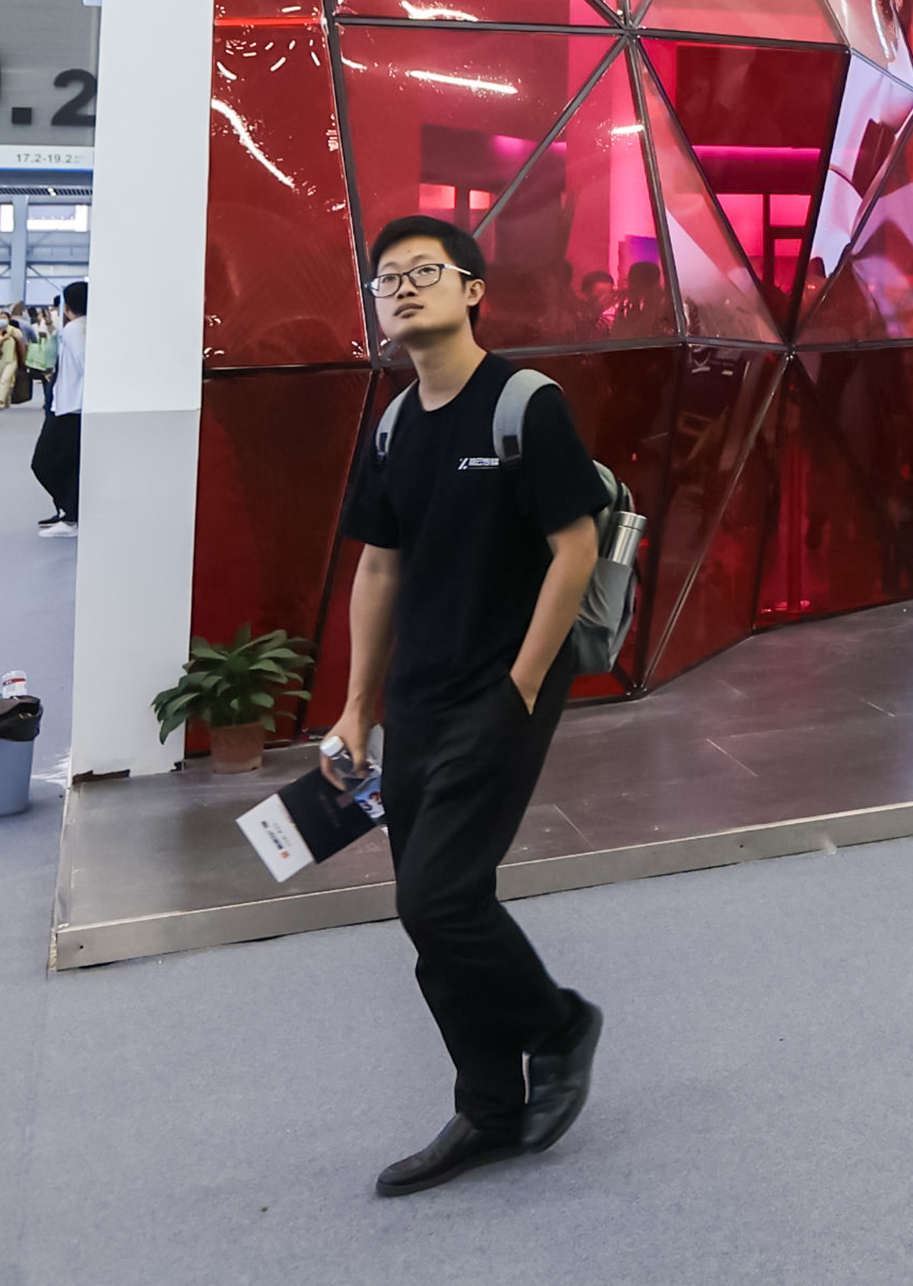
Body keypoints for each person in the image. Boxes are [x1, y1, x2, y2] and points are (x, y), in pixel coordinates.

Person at [314, 218, 608, 1196]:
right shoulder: (395, 423)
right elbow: (379, 567)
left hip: (502, 685)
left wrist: (520, 687)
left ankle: (559, 1027)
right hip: (419, 695)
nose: (402, 287)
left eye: (424, 271)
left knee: (436, 898)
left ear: (473, 290)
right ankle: (487, 1106)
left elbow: (575, 548)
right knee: (438, 915)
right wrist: (356, 709)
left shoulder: (525, 405)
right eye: (387, 277)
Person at [32, 280, 88, 533]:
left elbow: (84, 363)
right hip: (71, 405)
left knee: (44, 462)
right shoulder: (85, 327)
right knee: (68, 464)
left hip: (70, 407)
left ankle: (72, 514)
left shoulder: (74, 329)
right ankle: (69, 511)